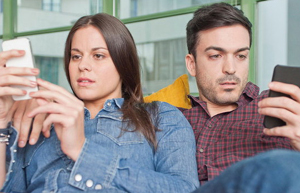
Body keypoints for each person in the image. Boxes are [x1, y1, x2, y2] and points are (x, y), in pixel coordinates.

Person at [0, 13, 199, 192]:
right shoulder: (41, 119)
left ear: (123, 62)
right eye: (75, 56)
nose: (83, 66)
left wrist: (82, 151)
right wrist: (1, 122)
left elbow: (184, 189)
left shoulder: (160, 116)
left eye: (98, 55)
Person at [182, 1, 300, 185]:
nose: (231, 69)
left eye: (241, 56)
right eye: (215, 55)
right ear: (192, 64)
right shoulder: (171, 118)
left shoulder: (280, 107)